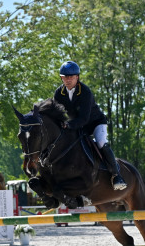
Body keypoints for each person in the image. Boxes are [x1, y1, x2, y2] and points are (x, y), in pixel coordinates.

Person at [54, 61, 127, 190]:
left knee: (101, 142)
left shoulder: (85, 92)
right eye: (65, 77)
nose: (68, 79)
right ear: (61, 77)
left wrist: (68, 125)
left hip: (94, 123)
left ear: (77, 77)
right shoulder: (59, 93)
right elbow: (57, 114)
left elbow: (83, 118)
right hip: (76, 126)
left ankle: (116, 175)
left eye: (71, 77)